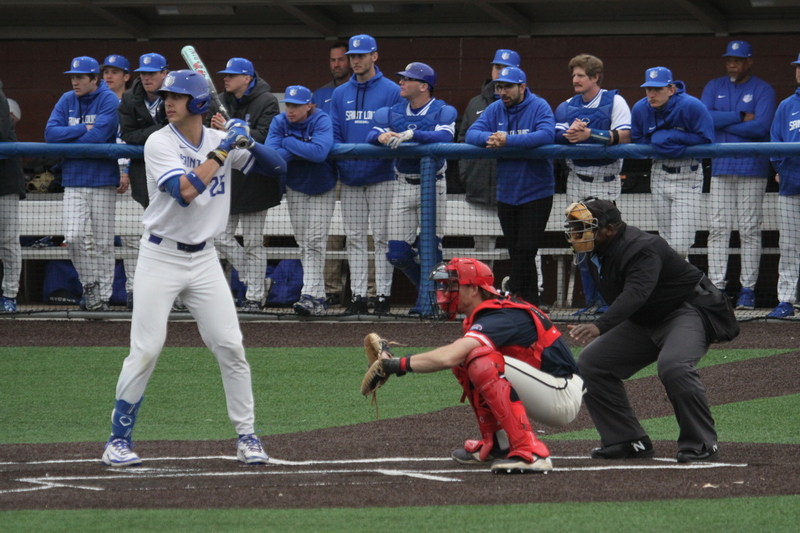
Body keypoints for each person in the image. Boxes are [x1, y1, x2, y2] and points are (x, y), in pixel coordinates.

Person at [101, 70, 286, 467]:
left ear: (199, 104)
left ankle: (247, 436)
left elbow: (277, 168)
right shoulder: (158, 141)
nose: (168, 102)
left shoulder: (223, 139)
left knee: (231, 346)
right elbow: (184, 192)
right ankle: (117, 440)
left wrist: (248, 139)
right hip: (160, 256)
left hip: (204, 259)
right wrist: (222, 153)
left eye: (179, 97)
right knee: (146, 349)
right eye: (167, 96)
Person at [367, 257, 582, 474]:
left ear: (473, 289)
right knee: (467, 359)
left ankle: (531, 453)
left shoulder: (500, 315)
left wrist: (394, 364)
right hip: (545, 387)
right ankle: (499, 446)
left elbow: (448, 357)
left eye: (451, 285)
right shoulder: (487, 314)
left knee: (478, 359)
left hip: (561, 393)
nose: (444, 292)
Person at [566, 197, 721, 463]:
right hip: (646, 319)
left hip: (685, 311)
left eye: (583, 227)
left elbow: (636, 293)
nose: (576, 233)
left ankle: (701, 441)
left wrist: (600, 325)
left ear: (610, 230)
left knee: (674, 366)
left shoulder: (643, 247)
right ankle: (627, 440)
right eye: (574, 227)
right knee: (591, 364)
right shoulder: (593, 250)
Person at [368, 62, 457, 315]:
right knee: (396, 254)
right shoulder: (393, 111)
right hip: (403, 184)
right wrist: (381, 137)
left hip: (434, 184)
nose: (401, 83)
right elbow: (370, 134)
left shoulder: (441, 109)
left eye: (407, 79)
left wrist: (413, 135)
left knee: (431, 248)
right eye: (402, 78)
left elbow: (445, 137)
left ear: (423, 86)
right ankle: (432, 294)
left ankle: (428, 303)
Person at [465, 66, 555, 306]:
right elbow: (471, 133)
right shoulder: (495, 109)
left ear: (522, 87)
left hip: (537, 191)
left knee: (527, 248)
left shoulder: (539, 105)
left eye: (507, 87)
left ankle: (512, 288)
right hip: (507, 192)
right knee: (517, 251)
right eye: (499, 87)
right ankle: (530, 303)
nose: (502, 92)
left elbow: (547, 135)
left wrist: (507, 140)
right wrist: (489, 138)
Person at [329, 34, 402, 315]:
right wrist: (344, 165)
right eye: (352, 56)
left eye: (361, 55)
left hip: (382, 175)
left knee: (382, 237)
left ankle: (382, 295)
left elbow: (396, 131)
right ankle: (358, 296)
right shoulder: (340, 93)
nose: (355, 61)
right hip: (349, 177)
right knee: (355, 237)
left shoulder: (392, 90)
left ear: (374, 56)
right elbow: (335, 134)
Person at [701, 41, 777, 310]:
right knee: (718, 228)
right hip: (721, 167)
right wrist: (739, 116)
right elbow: (705, 119)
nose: (732, 64)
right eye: (729, 59)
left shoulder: (763, 89)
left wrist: (726, 123)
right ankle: (717, 288)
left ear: (749, 62)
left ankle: (747, 290)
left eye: (738, 59)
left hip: (752, 168)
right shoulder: (714, 86)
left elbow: (761, 127)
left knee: (749, 229)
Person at [555, 54, 632, 316]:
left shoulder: (614, 101)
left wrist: (590, 134)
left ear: (595, 77)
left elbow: (625, 135)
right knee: (581, 242)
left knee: (606, 242)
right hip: (577, 179)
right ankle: (592, 302)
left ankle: (611, 301)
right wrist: (569, 133)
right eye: (574, 75)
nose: (575, 80)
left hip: (605, 181)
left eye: (581, 76)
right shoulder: (567, 105)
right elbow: (555, 134)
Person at [44, 56, 121, 311]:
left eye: (80, 77)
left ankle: (105, 297)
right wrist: (81, 129)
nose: (75, 82)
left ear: (94, 79)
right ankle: (90, 286)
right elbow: (49, 134)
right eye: (72, 77)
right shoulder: (67, 99)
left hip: (101, 181)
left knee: (103, 243)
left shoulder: (108, 97)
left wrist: (69, 139)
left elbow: (99, 138)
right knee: (74, 236)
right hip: (73, 179)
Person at [209, 57, 280, 311]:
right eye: (224, 74)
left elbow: (265, 137)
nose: (225, 78)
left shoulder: (267, 100)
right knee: (219, 236)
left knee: (252, 241)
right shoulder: (219, 100)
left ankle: (254, 296)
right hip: (228, 179)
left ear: (247, 78)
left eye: (231, 75)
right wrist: (221, 130)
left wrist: (232, 127)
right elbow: (210, 135)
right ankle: (258, 280)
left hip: (256, 178)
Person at [630, 66, 714, 259]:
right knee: (666, 245)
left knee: (680, 245)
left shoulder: (691, 105)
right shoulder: (641, 108)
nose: (651, 94)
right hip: (659, 172)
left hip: (688, 173)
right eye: (648, 89)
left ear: (671, 89)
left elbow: (707, 139)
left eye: (657, 89)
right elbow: (637, 139)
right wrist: (660, 142)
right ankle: (677, 288)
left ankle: (688, 287)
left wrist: (676, 139)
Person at [266, 85, 336, 316]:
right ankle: (319, 298)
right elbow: (270, 156)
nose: (291, 110)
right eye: (288, 105)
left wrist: (288, 143)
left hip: (322, 186)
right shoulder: (279, 121)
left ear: (309, 105)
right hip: (295, 185)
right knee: (304, 241)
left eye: (296, 105)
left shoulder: (321, 119)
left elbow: (319, 153)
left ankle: (308, 294)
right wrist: (301, 148)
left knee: (315, 240)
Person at [118, 52, 171, 309]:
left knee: (173, 232)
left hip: (174, 170)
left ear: (164, 73)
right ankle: (148, 292)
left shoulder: (178, 93)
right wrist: (161, 131)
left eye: (152, 73)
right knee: (150, 234)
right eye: (144, 73)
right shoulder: (130, 98)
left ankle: (177, 294)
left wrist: (149, 134)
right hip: (142, 173)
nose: (147, 78)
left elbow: (183, 128)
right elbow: (128, 135)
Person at [312, 41, 352, 308]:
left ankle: (368, 293)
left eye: (341, 60)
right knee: (332, 235)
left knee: (366, 235)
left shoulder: (360, 92)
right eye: (333, 60)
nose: (337, 64)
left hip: (358, 170)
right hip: (329, 173)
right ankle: (331, 290)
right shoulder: (320, 95)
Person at [766, 53, 800, 318]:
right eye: (798, 67)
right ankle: (786, 300)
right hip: (791, 187)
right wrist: (783, 171)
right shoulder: (787, 106)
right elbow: (775, 145)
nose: (799, 72)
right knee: (789, 245)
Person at [102, 54, 135, 302]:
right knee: (99, 239)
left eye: (115, 72)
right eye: (106, 72)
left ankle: (134, 291)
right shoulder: (97, 102)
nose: (109, 76)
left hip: (129, 177)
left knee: (132, 237)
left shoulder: (134, 102)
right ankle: (99, 294)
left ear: (126, 76)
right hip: (103, 176)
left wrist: (126, 169)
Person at [0, 85, 25, 313]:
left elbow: (1, 131)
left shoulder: (0, 97)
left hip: (5, 181)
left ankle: (9, 294)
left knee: (7, 241)